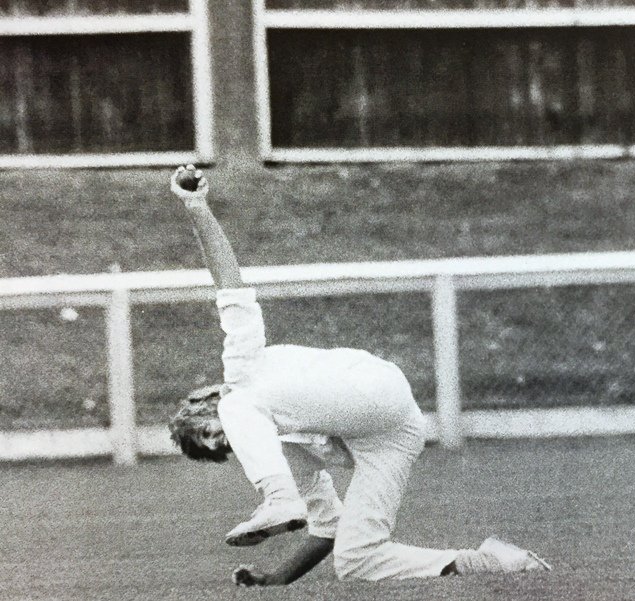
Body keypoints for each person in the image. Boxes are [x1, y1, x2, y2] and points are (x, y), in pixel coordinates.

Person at [166, 165, 551, 585]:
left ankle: (276, 501)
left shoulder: (242, 369)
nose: (224, 439)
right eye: (218, 446)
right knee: (357, 559)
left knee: (237, 399)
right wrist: (278, 577)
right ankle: (493, 561)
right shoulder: (279, 451)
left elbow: (231, 288)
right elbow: (327, 526)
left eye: (209, 430)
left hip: (370, 388)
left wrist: (197, 206)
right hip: (396, 431)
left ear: (206, 397)